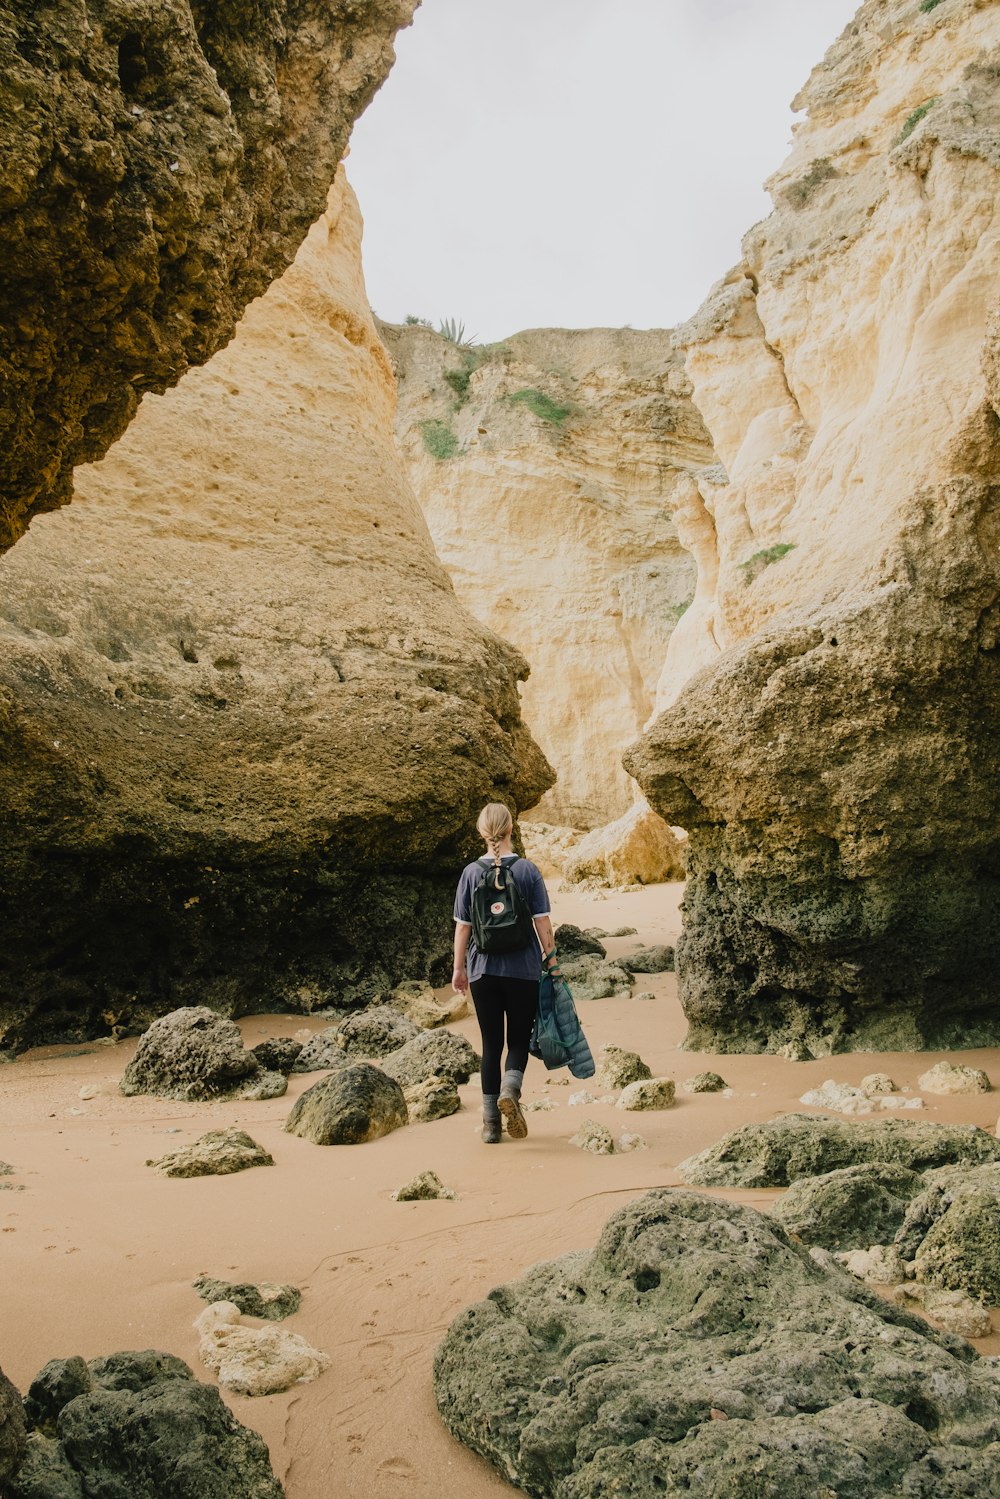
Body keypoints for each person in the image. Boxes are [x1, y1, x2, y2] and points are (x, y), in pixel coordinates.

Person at [452, 803, 555, 1143]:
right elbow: (542, 923)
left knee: (491, 1045)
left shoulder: (470, 873)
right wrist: (552, 963)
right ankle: (511, 1089)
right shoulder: (527, 870)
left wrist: (459, 968)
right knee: (517, 1042)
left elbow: (463, 929)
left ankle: (491, 1126)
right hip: (522, 970)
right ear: (511, 829)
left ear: (482, 834)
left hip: (483, 971)